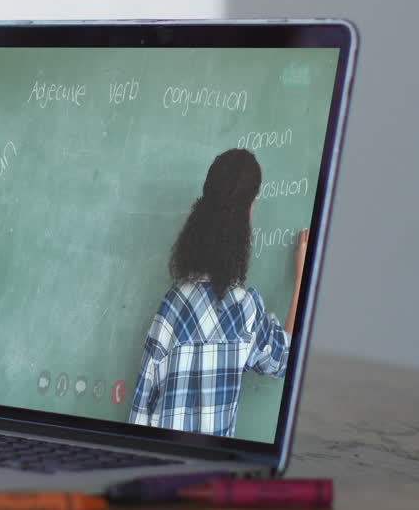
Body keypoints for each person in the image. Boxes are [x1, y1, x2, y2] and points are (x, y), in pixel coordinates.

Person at [128, 148, 307, 437]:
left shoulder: (173, 304)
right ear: (246, 214)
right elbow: (288, 357)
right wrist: (302, 278)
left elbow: (140, 409)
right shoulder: (244, 310)